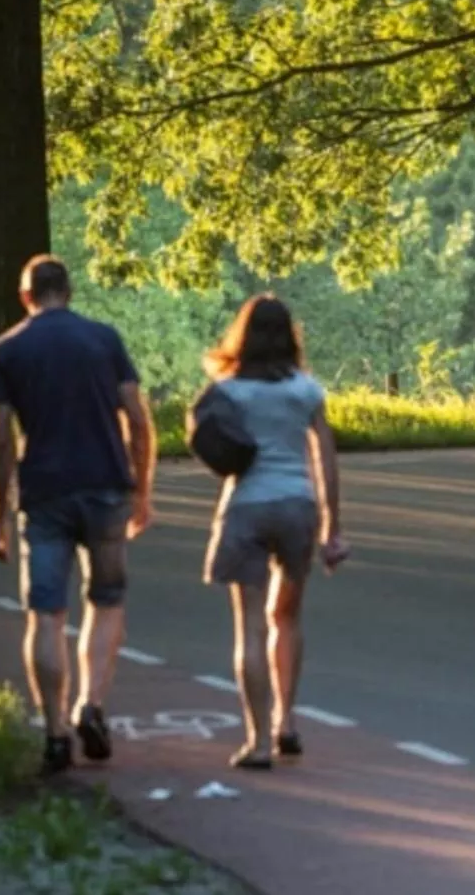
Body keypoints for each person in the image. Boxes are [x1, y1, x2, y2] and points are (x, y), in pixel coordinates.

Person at [0, 254, 156, 774]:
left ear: (25, 295)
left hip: (45, 494)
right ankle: (91, 704)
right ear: (69, 291)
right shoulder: (104, 340)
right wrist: (142, 491)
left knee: (47, 613)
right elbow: (138, 421)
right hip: (105, 489)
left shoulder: (8, 348)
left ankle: (55, 732)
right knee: (106, 600)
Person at [200, 293, 349, 770]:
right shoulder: (306, 390)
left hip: (245, 506)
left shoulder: (227, 391)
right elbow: (325, 460)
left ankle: (258, 741)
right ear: (290, 337)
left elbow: (204, 437)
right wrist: (333, 528)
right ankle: (288, 722)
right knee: (287, 618)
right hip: (296, 506)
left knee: (249, 626)